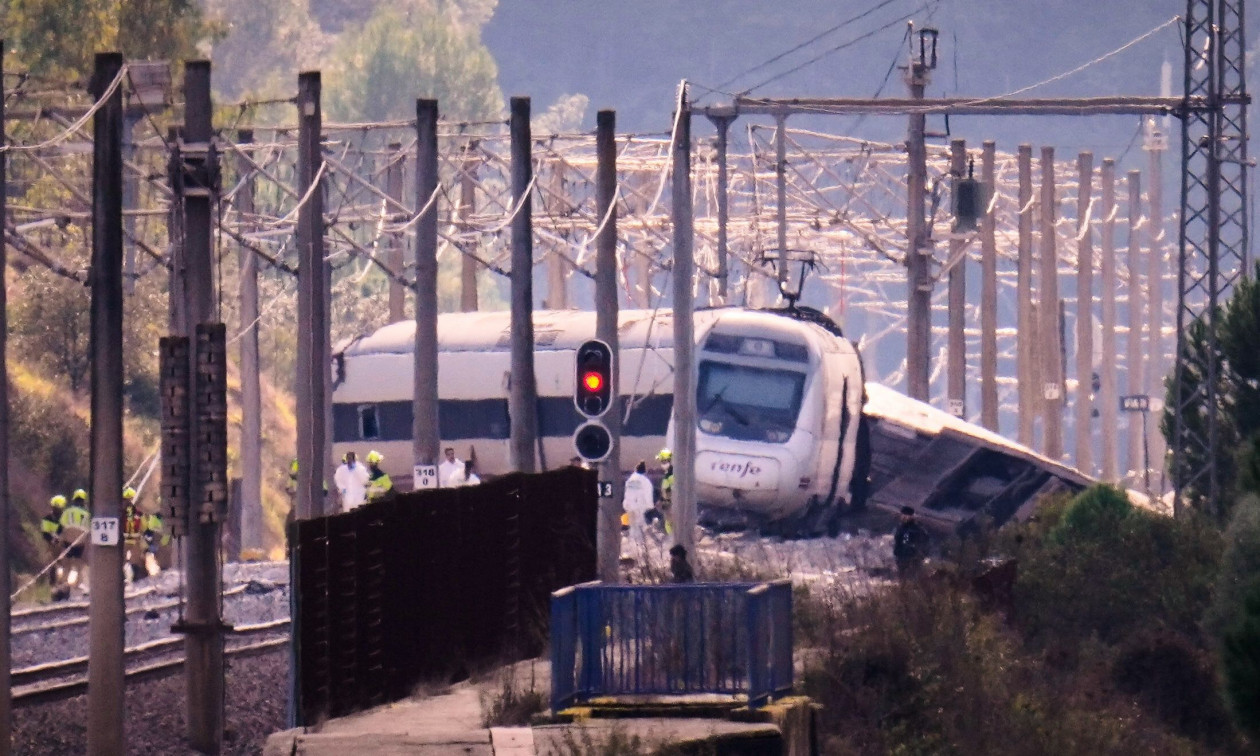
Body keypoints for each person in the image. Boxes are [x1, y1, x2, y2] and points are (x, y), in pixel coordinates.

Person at [59, 490, 91, 590]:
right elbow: (89, 531)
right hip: (80, 542)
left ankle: (63, 586)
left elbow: (61, 527)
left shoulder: (67, 512)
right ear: (83, 501)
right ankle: (80, 585)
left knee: (66, 566)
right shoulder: (86, 514)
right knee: (80, 566)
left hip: (67, 541)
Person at [623, 462, 655, 559]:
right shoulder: (645, 481)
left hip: (630, 508)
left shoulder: (630, 480)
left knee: (633, 527)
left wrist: (626, 506)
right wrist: (649, 506)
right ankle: (640, 550)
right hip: (640, 508)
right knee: (640, 528)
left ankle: (634, 547)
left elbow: (627, 494)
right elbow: (648, 495)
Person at [893, 506, 931, 577]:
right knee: (902, 577)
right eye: (903, 515)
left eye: (906, 516)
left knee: (913, 577)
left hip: (913, 558)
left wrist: (921, 553)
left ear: (911, 516)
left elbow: (925, 542)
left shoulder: (917, 529)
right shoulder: (900, 528)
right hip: (901, 557)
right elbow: (897, 542)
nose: (904, 517)